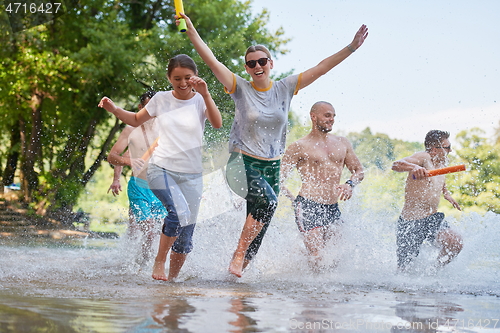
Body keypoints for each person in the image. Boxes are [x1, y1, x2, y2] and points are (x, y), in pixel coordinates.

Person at [179, 13, 368, 277]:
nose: (257, 66)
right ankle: (237, 253)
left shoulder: (286, 87)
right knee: (267, 202)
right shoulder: (239, 87)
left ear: (271, 63)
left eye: (262, 61)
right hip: (241, 163)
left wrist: (350, 47)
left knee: (259, 233)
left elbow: (322, 67)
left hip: (271, 167)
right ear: (246, 68)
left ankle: (235, 285)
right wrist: (191, 32)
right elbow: (211, 61)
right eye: (251, 63)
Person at [99, 54, 222, 281]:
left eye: (187, 78)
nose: (183, 83)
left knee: (186, 234)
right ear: (169, 77)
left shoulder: (200, 99)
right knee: (177, 214)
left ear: (194, 77)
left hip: (192, 175)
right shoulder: (161, 100)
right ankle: (159, 261)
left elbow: (217, 123)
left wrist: (205, 93)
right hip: (161, 169)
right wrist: (115, 109)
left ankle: (172, 281)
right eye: (177, 78)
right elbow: (135, 120)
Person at [280, 101, 364, 271]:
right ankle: (310, 294)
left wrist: (350, 184)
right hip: (308, 206)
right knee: (318, 258)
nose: (331, 119)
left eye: (333, 116)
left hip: (333, 208)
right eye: (327, 115)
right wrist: (293, 199)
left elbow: (359, 171)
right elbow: (278, 179)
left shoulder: (342, 143)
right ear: (313, 116)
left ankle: (302, 265)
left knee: (334, 260)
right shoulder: (299, 146)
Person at [107, 91, 168, 265]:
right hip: (138, 187)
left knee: (158, 233)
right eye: (148, 108)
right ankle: (138, 267)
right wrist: (122, 172)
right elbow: (112, 157)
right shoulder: (130, 130)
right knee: (148, 230)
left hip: (160, 189)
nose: (152, 113)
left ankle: (144, 263)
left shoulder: (166, 131)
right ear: (140, 108)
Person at [392, 130, 463, 272]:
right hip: (410, 221)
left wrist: (446, 193)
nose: (451, 150)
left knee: (455, 242)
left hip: (432, 218)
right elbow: (396, 165)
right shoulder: (423, 157)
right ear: (434, 149)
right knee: (404, 271)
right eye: (447, 147)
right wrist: (414, 167)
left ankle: (433, 271)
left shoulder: (442, 163)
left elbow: (438, 181)